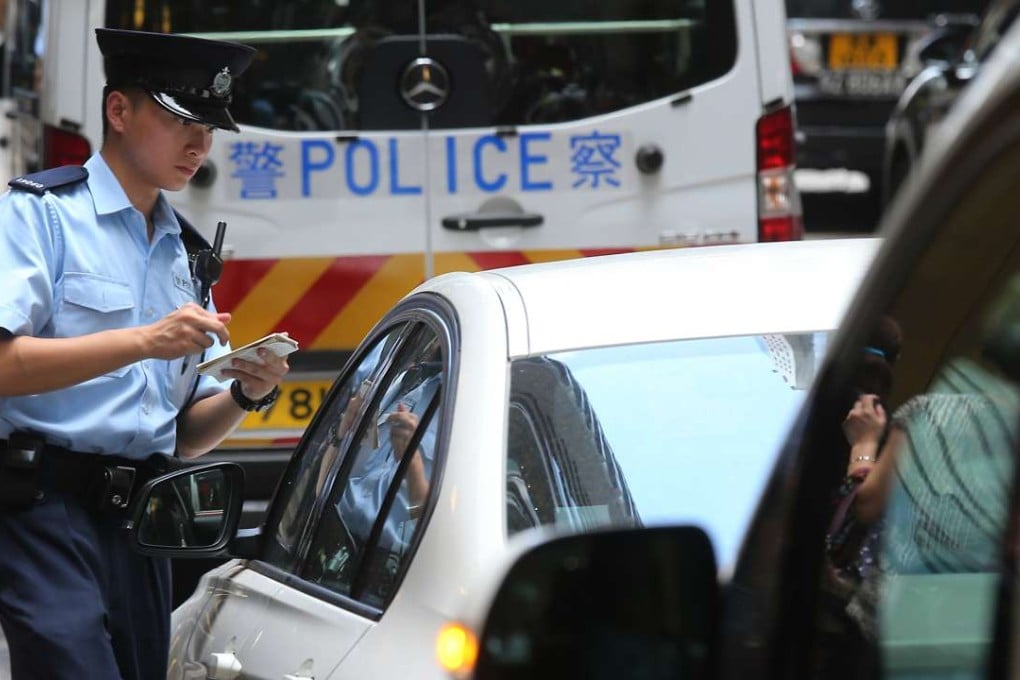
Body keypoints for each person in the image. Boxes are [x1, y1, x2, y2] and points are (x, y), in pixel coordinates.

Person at [0, 28, 289, 680]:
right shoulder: (38, 216)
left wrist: (246, 392)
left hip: (144, 524)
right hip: (41, 511)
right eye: (179, 120)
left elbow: (183, 437)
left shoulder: (186, 252)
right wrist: (144, 341)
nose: (199, 144)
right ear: (119, 112)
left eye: (209, 128)